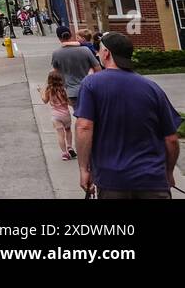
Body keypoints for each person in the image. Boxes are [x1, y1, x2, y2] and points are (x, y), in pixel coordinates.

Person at [75, 32, 181, 199]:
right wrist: (168, 172)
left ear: (107, 53)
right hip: (152, 180)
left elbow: (84, 126)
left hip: (112, 181)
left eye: (100, 50)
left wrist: (83, 168)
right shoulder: (152, 88)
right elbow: (171, 139)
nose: (98, 53)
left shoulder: (91, 84)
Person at [51, 27, 99, 155]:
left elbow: (56, 74)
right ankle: (96, 142)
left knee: (81, 118)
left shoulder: (56, 53)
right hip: (89, 89)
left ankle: (85, 146)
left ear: (59, 37)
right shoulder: (85, 50)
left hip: (71, 93)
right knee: (94, 116)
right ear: (71, 35)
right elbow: (97, 68)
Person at [39, 70, 75, 160]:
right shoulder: (64, 90)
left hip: (56, 117)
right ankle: (70, 147)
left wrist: (40, 92)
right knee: (68, 130)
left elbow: (45, 101)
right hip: (66, 115)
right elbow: (70, 103)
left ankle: (64, 153)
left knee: (60, 134)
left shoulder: (49, 90)